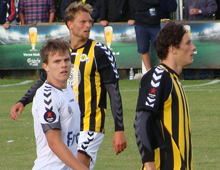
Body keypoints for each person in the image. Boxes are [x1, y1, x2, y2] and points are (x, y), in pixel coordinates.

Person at [10, 2, 127, 170]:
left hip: (91, 125)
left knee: (78, 164)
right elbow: (43, 80)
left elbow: (113, 92)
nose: (88, 25)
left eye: (90, 22)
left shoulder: (99, 51)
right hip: (67, 125)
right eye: (83, 22)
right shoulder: (62, 52)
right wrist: (23, 101)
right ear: (69, 25)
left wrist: (119, 129)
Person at [134, 21, 196, 170]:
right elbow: (141, 121)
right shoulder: (158, 75)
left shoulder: (173, 80)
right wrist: (149, 164)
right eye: (187, 43)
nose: (193, 47)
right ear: (173, 48)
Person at [28, 38, 88, 170]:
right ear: (46, 67)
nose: (63, 65)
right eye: (57, 61)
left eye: (66, 60)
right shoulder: (47, 95)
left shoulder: (68, 90)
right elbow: (54, 142)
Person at [131, 0, 161, 72]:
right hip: (141, 24)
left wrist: (145, 3)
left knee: (160, 49)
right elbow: (137, 6)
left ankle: (162, 70)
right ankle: (149, 72)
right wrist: (151, 3)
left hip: (155, 25)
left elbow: (158, 2)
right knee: (143, 50)